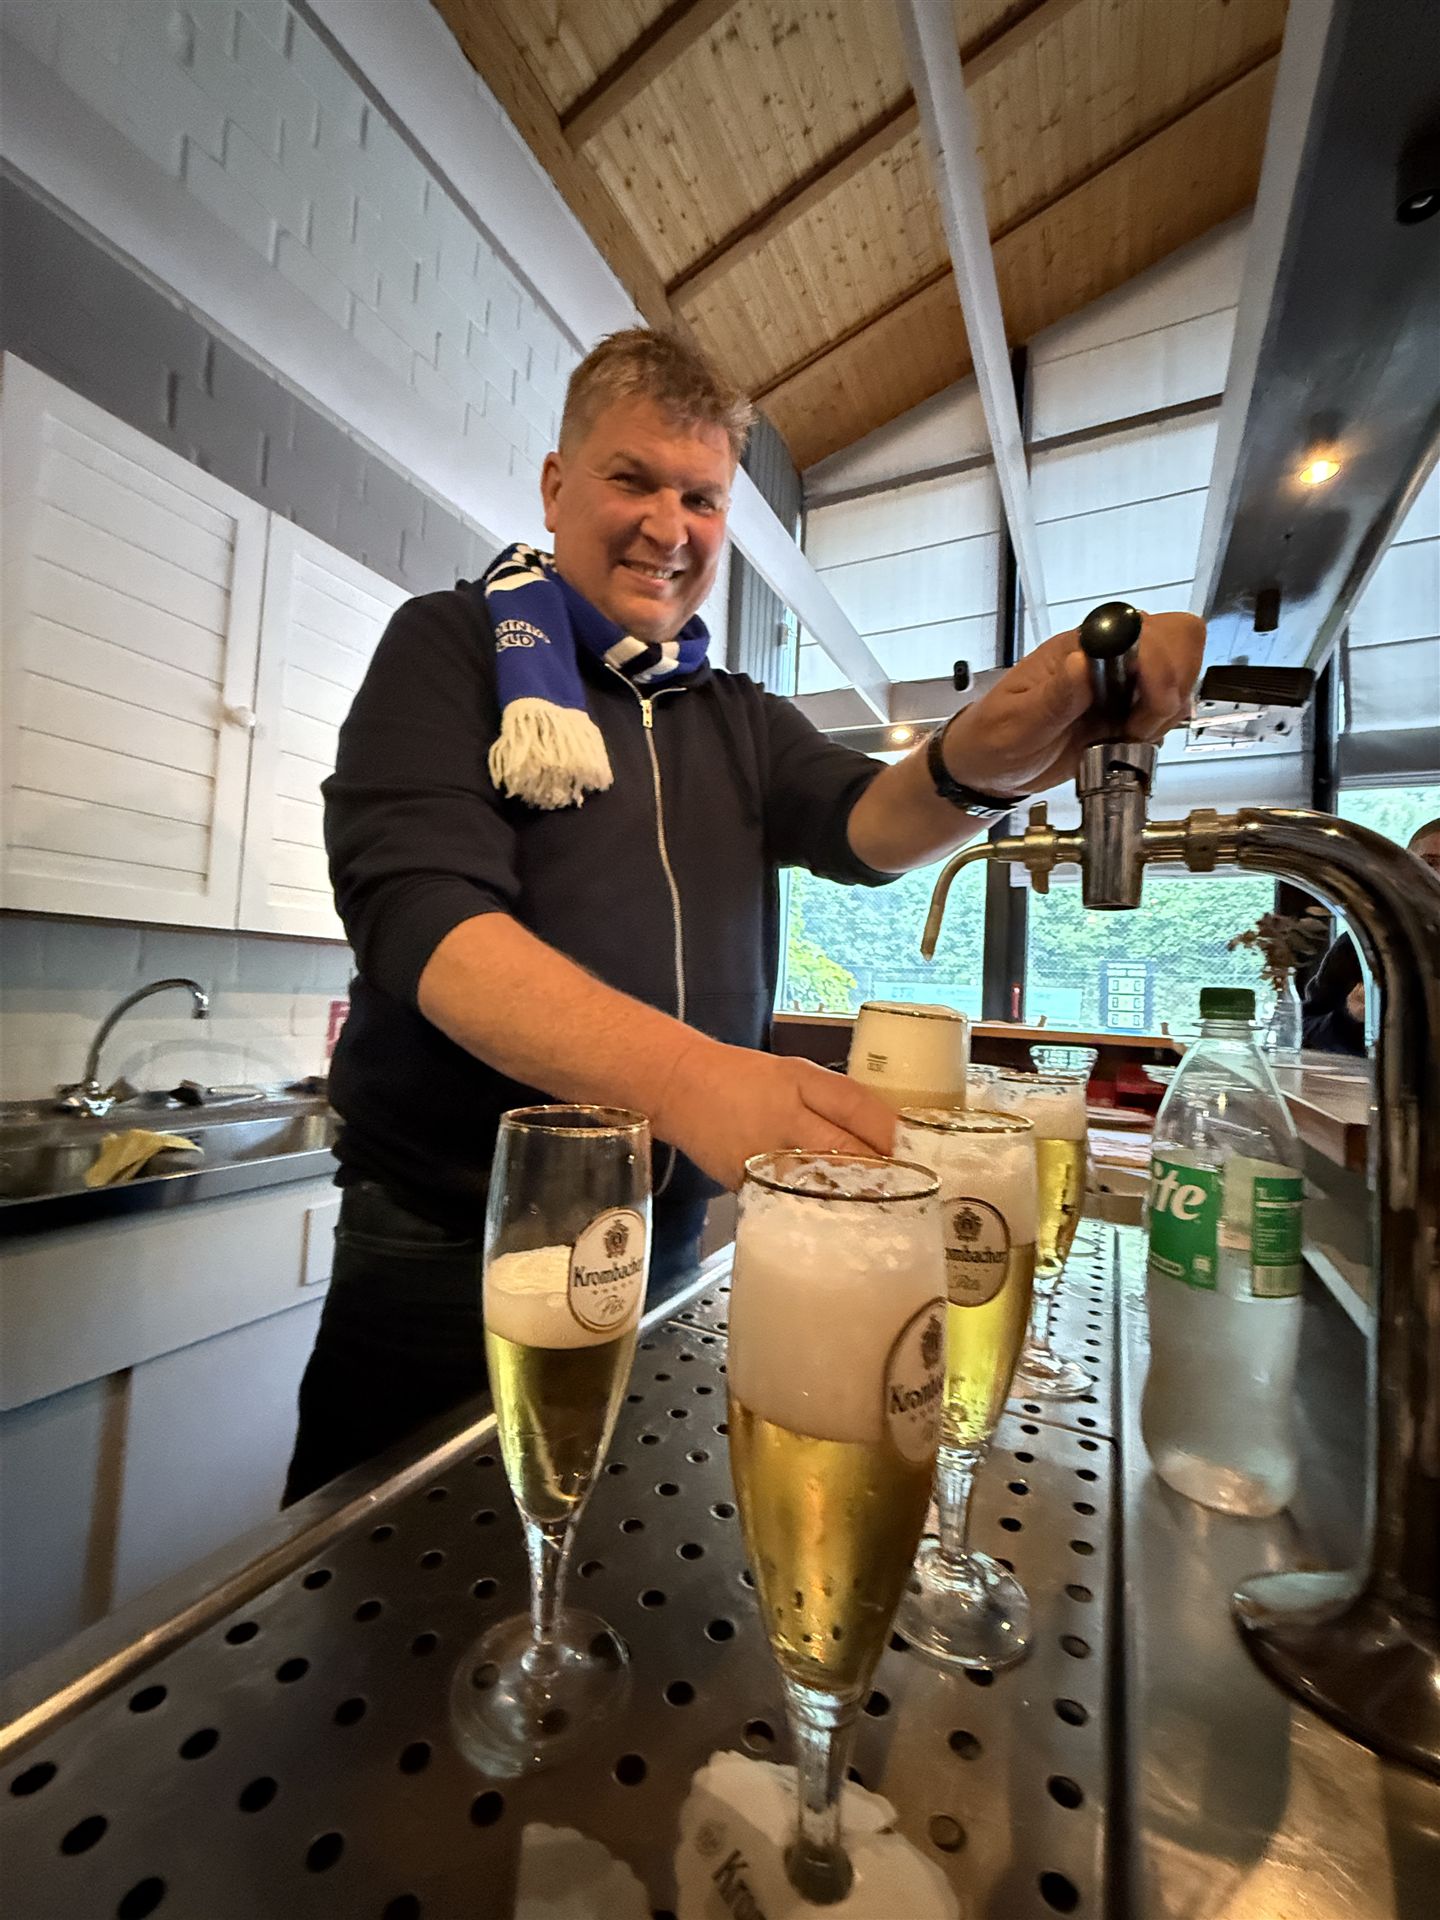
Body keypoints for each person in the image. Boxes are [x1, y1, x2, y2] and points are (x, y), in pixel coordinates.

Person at [282, 328, 1204, 1503]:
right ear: (557, 486)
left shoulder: (734, 713)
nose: (669, 527)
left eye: (701, 497)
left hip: (663, 1233)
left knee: (617, 1543)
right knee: (388, 1567)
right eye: (633, 480)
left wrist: (1000, 742)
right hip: (452, 1239)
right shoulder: (450, 645)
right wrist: (692, 1082)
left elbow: (870, 827)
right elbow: (422, 918)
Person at [1301, 817, 1440, 1054]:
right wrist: (1350, 1015)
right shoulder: (1365, 942)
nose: (1436, 877)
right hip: (1378, 1075)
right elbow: (1305, 1032)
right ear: (1405, 871)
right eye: (1429, 863)